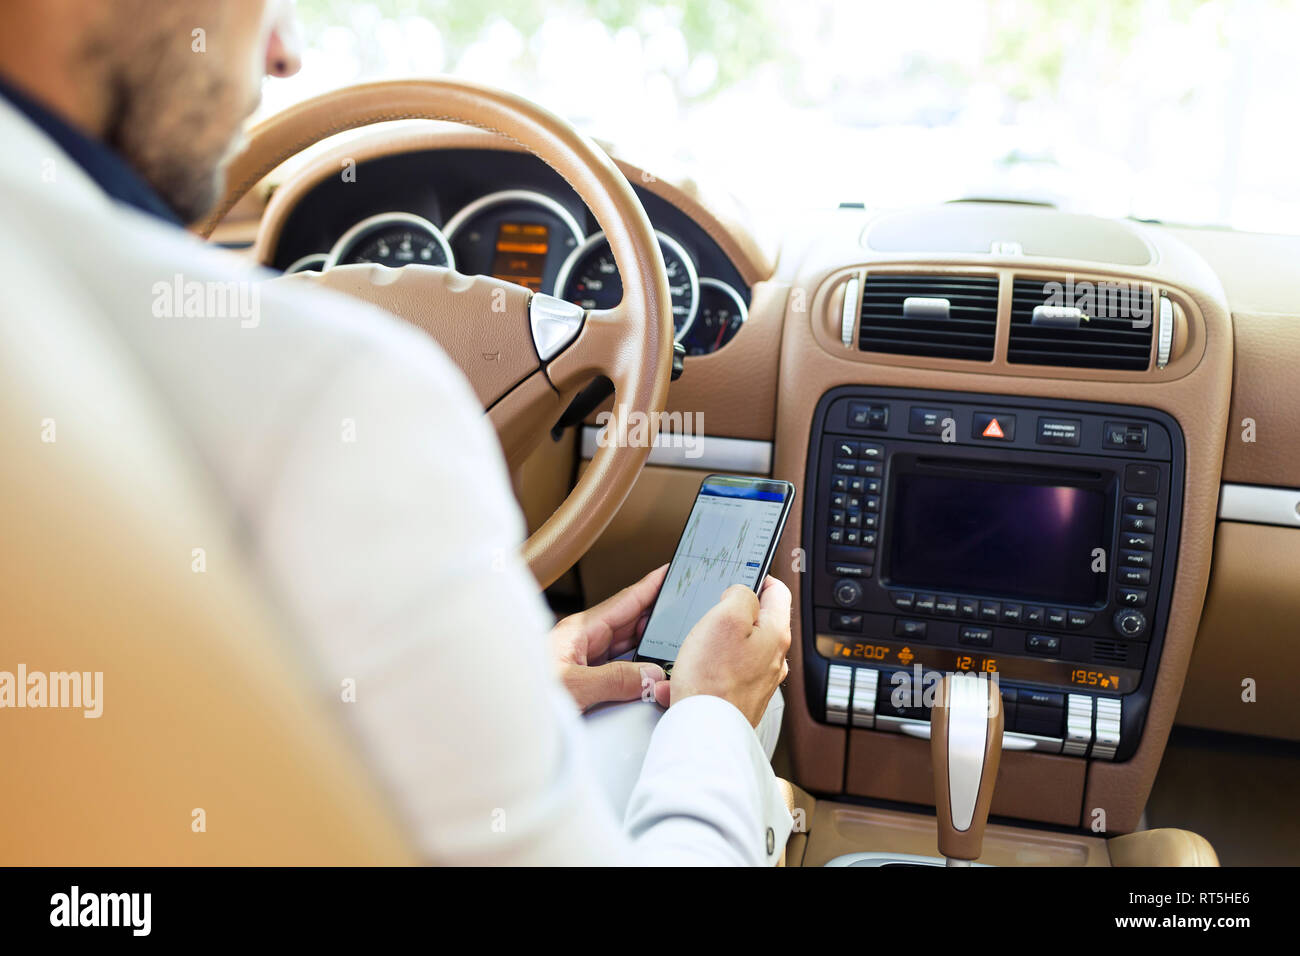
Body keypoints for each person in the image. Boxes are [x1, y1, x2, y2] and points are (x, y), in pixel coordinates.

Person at [0, 0, 793, 863]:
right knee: (671, 712)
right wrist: (715, 715)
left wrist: (495, 688)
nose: (286, 52)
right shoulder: (351, 392)